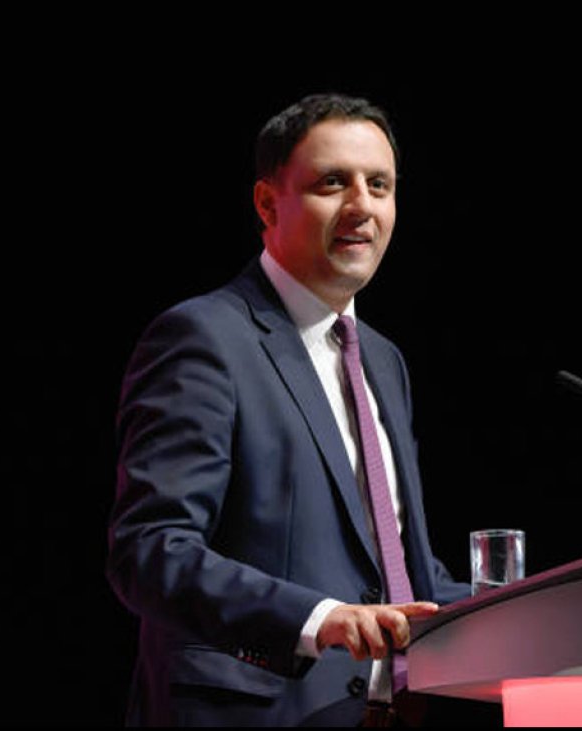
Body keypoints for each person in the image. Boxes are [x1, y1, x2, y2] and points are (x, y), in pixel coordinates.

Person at [106, 93, 471, 726]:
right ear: (268, 203)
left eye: (379, 185)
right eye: (334, 182)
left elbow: (399, 574)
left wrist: (541, 606)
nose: (362, 205)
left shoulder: (384, 361)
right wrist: (315, 619)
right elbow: (149, 549)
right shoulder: (205, 339)